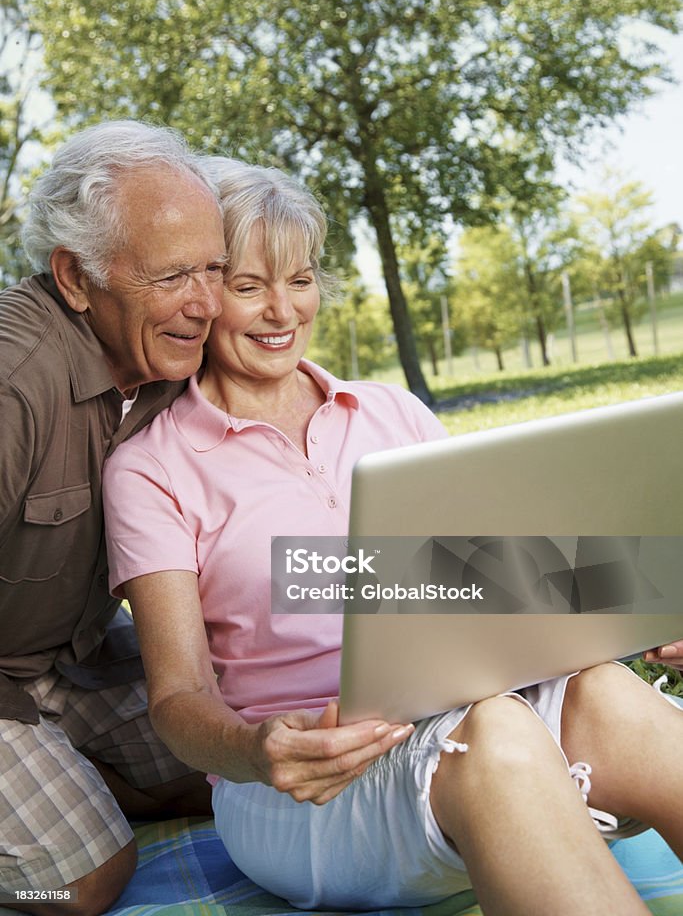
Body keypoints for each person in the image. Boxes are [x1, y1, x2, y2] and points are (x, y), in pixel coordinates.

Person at [103, 158, 682, 916]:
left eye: (301, 279)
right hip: (306, 791)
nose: (282, 311)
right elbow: (178, 699)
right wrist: (255, 749)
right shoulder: (152, 467)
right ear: (206, 295)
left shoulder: (391, 413)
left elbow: (494, 584)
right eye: (250, 286)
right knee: (497, 733)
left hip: (461, 721)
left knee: (603, 688)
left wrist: (638, 610)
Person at [0, 121, 229, 916]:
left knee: (225, 764)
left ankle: (77, 775)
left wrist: (603, 585)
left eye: (214, 268)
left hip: (71, 657)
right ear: (74, 276)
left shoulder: (173, 357)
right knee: (79, 880)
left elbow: (304, 502)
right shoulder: (11, 386)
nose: (206, 304)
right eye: (172, 275)